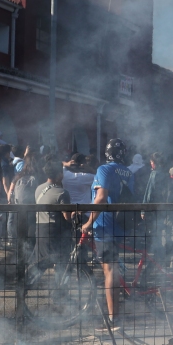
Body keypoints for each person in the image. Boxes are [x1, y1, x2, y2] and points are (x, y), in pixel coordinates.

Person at [80, 139, 136, 326]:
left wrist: (89, 222)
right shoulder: (128, 172)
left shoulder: (104, 169)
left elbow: (101, 198)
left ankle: (113, 319)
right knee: (112, 269)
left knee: (109, 271)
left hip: (105, 225)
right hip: (121, 225)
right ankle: (114, 313)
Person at [33, 159, 72, 264]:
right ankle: (61, 281)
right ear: (59, 174)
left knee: (39, 264)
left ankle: (29, 280)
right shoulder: (62, 192)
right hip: (55, 231)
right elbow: (67, 217)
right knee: (61, 262)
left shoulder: (38, 188)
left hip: (40, 229)